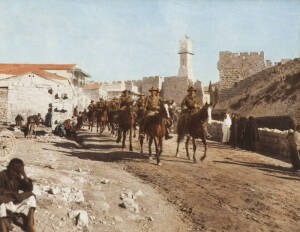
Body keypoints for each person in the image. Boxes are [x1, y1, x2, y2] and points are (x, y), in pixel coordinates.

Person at [0, 158, 36, 232]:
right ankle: (3, 227)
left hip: (14, 202)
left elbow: (29, 189)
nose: (16, 173)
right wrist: (12, 194)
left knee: (31, 196)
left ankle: (30, 224)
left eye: (18, 172)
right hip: (5, 202)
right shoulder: (2, 175)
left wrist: (24, 175)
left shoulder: (17, 176)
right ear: (10, 168)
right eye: (14, 171)